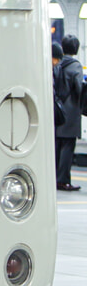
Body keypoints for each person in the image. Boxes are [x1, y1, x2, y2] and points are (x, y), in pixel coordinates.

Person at [56, 36, 84, 191]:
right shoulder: (75, 66)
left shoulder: (57, 64)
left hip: (57, 112)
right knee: (67, 147)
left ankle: (55, 178)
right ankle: (63, 180)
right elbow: (79, 88)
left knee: (57, 146)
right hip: (70, 113)